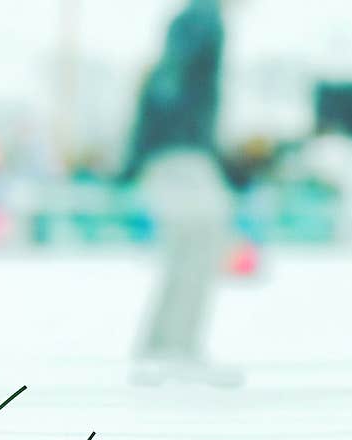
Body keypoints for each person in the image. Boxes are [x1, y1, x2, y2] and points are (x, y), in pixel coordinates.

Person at [124, 0, 242, 387]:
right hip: (180, 152)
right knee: (201, 236)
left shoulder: (199, 17)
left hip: (177, 150)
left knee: (194, 241)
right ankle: (173, 348)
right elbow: (171, 78)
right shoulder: (204, 17)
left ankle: (164, 346)